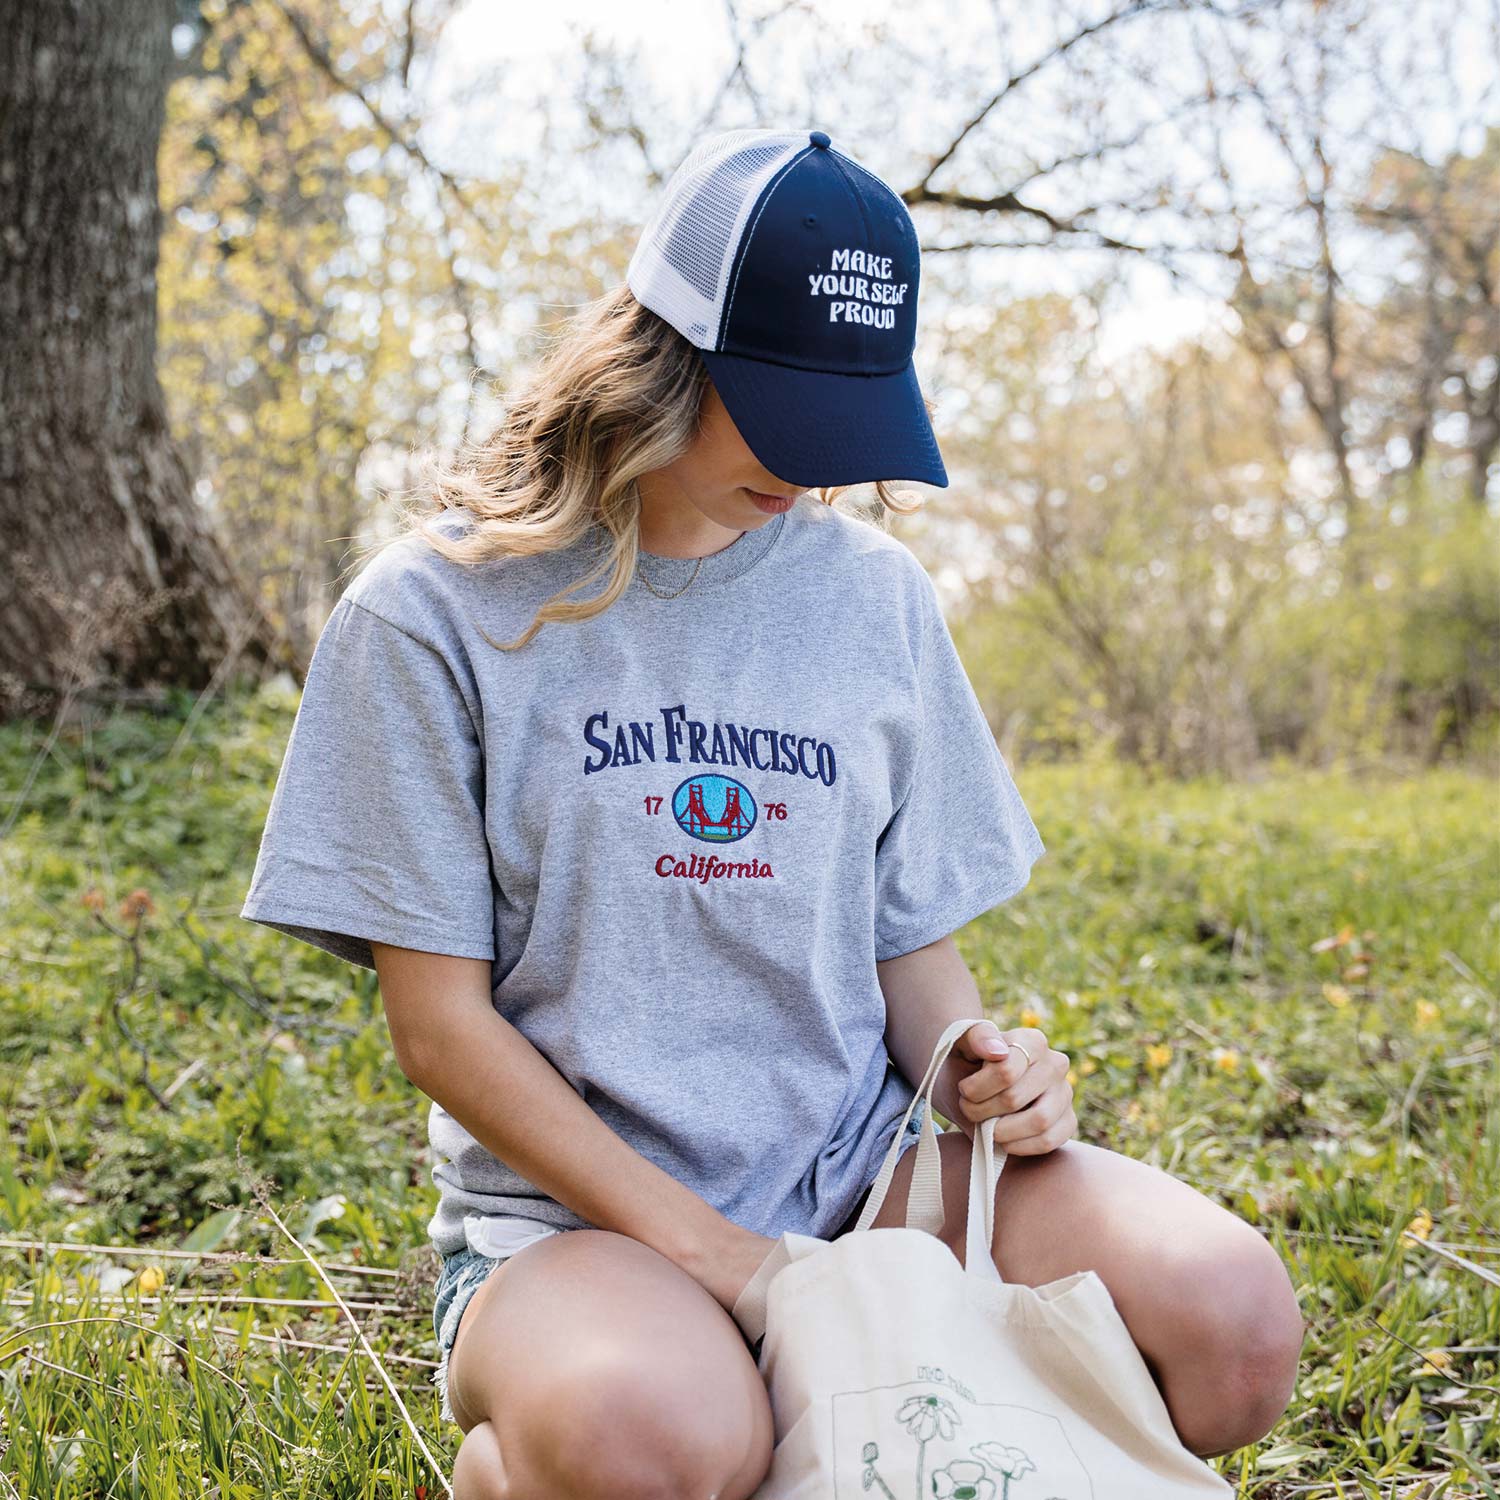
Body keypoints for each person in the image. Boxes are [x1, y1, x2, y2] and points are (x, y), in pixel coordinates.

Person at [240, 127, 1303, 1498]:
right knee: (674, 1442)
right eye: (783, 417)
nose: (816, 475)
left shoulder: (878, 599)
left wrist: (984, 1066)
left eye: (848, 428)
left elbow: (904, 942)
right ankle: (530, 1463)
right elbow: (438, 1028)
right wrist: (715, 1258)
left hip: (873, 1181)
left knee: (1235, 1334)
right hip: (575, 1228)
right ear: (660, 357)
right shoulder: (432, 614)